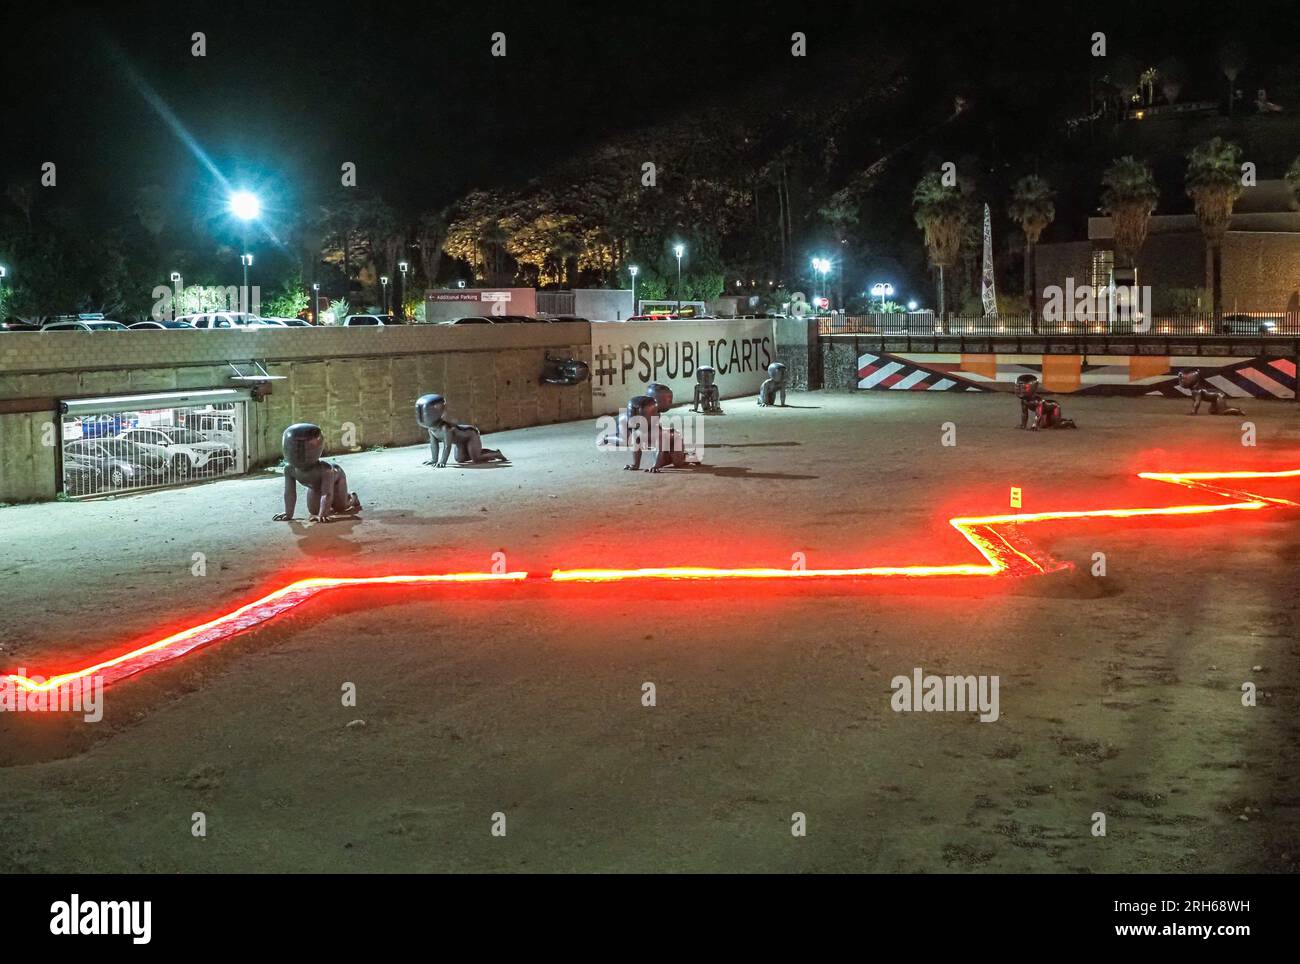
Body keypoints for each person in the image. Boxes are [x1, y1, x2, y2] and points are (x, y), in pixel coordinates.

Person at [273, 423, 361, 522]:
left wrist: (323, 514)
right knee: (314, 511)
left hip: (336, 480)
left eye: (304, 451)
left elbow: (326, 493)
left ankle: (352, 498)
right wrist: (288, 513)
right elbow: (290, 492)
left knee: (340, 507)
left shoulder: (326, 470)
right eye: (296, 450)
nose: (300, 455)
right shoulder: (289, 469)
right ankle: (328, 505)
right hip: (315, 486)